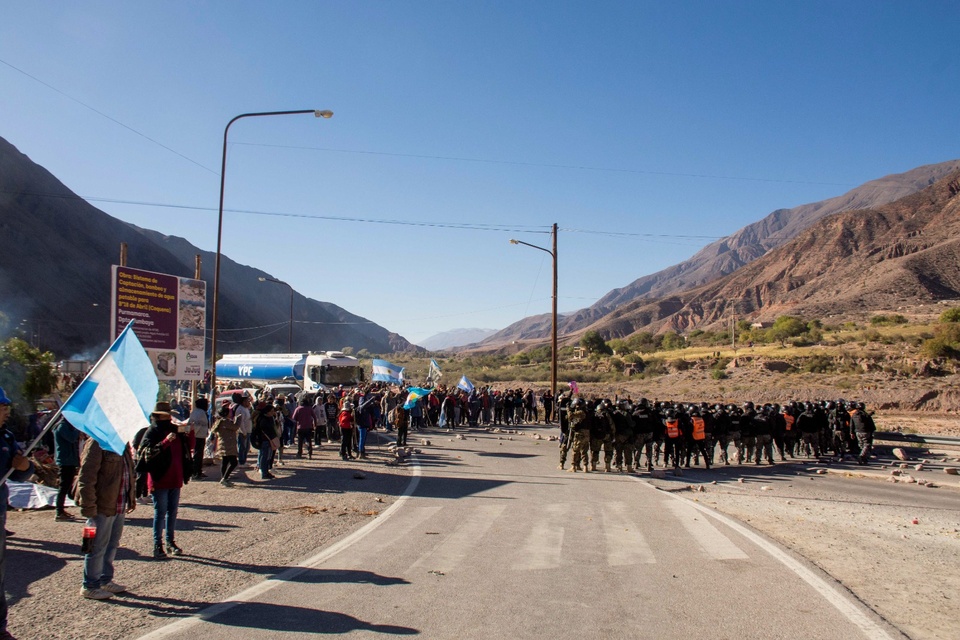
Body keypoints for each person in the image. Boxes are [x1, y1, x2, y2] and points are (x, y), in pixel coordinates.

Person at [76, 436, 136, 600]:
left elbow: (128, 473)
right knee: (94, 546)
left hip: (118, 505)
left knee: (112, 545)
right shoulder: (96, 442)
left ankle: (105, 579)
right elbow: (86, 476)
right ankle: (89, 585)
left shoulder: (122, 442)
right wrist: (88, 506)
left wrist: (130, 498)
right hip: (100, 507)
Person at [0, 388, 34, 639]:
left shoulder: (7, 437)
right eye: (2, 407)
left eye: (7, 407)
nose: (6, 411)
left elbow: (20, 472)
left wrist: (25, 467)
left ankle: (0, 627)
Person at [139, 401, 192, 559]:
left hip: (175, 477)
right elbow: (145, 454)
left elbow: (187, 450)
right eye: (166, 415)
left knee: (172, 512)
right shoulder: (152, 432)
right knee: (160, 512)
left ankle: (170, 542)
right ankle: (158, 544)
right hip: (159, 478)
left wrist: (188, 436)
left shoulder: (175, 430)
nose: (169, 418)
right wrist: (165, 442)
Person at [53, 418, 82, 521]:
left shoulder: (65, 426)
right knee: (63, 486)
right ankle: (59, 512)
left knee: (67, 485)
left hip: (69, 460)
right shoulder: (62, 426)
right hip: (65, 461)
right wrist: (78, 428)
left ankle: (61, 510)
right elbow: (71, 438)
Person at [210, 404, 240, 486]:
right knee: (234, 462)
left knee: (225, 462)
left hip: (223, 444)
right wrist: (238, 420)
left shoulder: (219, 421)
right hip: (228, 445)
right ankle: (225, 478)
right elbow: (235, 427)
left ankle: (224, 478)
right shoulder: (225, 422)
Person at [253, 403, 279, 479]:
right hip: (265, 440)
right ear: (267, 411)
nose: (273, 412)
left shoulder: (270, 418)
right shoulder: (262, 419)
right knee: (264, 457)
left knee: (268, 457)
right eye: (271, 411)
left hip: (270, 440)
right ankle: (264, 473)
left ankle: (266, 471)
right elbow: (266, 430)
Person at [188, 397, 210, 480]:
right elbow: (195, 425)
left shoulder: (198, 412)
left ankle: (199, 471)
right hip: (198, 436)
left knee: (200, 455)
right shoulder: (199, 412)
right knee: (197, 455)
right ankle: (195, 473)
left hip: (200, 435)